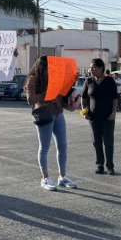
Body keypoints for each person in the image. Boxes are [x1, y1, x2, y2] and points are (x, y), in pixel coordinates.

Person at [25, 56, 78, 190]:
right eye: (47, 68)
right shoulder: (32, 79)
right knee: (44, 147)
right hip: (44, 114)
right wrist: (47, 93)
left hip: (58, 113)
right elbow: (31, 100)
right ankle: (45, 178)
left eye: (51, 68)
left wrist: (71, 80)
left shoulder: (55, 78)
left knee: (63, 145)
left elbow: (60, 94)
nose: (49, 71)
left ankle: (62, 176)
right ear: (40, 67)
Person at [82, 58, 118, 175]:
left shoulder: (110, 81)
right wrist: (84, 111)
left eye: (94, 67)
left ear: (101, 68)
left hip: (108, 118)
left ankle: (110, 166)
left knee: (108, 142)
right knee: (96, 142)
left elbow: (115, 98)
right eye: (91, 67)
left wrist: (113, 113)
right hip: (93, 118)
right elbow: (83, 98)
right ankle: (100, 165)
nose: (91, 70)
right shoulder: (89, 81)